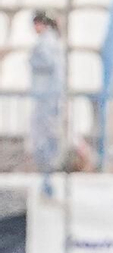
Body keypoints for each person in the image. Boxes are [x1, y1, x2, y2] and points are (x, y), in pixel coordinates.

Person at [28, 13, 63, 173]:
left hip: (47, 93)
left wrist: (32, 60)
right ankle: (46, 163)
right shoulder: (50, 41)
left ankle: (48, 164)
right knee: (44, 128)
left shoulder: (47, 42)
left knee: (45, 129)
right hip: (47, 92)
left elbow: (48, 63)